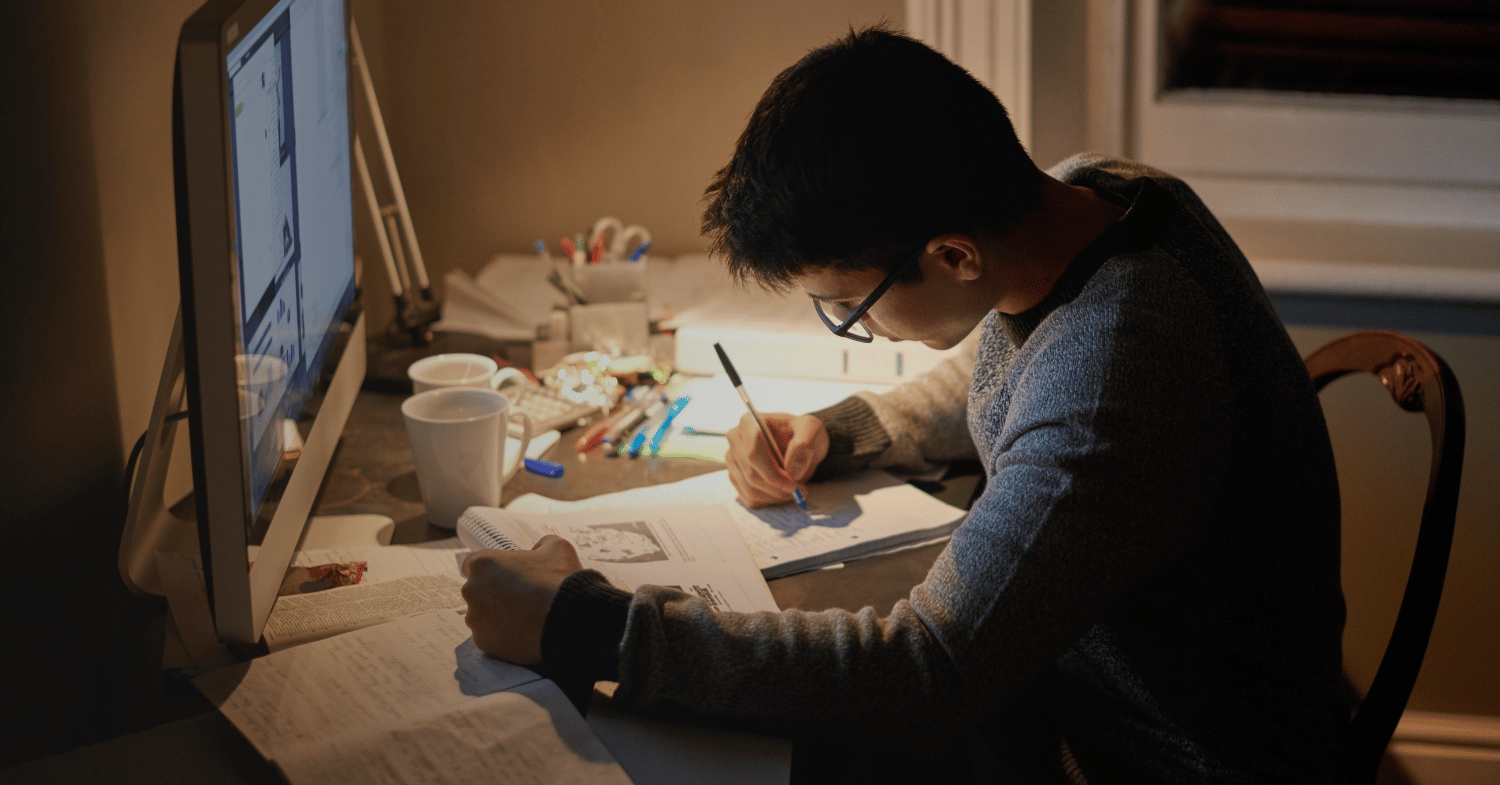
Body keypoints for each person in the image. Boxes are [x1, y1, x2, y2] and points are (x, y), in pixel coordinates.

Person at [462, 25, 1348, 783]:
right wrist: (844, 429)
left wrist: (589, 625)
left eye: (849, 307)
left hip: (1146, 754)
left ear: (955, 255)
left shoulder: (1113, 380)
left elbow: (926, 674)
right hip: (1069, 683)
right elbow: (1013, 366)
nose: (858, 329)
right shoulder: (1094, 195)